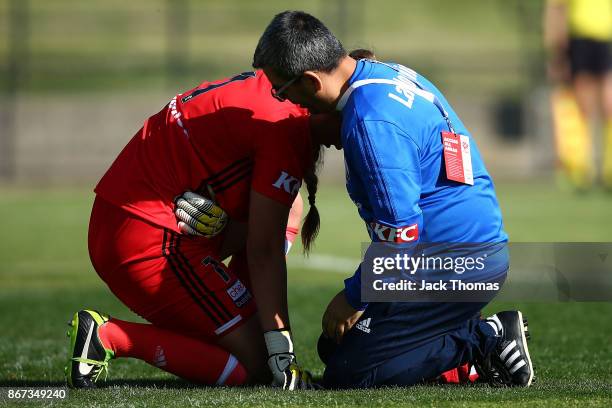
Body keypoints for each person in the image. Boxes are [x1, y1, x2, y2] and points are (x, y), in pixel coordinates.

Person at [252, 10, 533, 388]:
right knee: (334, 346)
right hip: (455, 256)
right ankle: (458, 343)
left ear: (310, 80)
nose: (285, 101)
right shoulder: (383, 74)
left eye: (283, 91)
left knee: (350, 373)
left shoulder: (371, 121)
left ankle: (488, 336)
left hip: (452, 264)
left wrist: (354, 296)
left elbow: (402, 233)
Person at [65, 69, 339, 389]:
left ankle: (237, 316)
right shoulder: (284, 124)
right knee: (257, 367)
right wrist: (282, 350)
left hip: (125, 219)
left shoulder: (271, 90)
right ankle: (110, 336)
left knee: (288, 209)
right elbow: (263, 248)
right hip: (148, 238)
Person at [544, 0, 612, 189]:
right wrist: (558, 51)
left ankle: (605, 169)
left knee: (607, 105)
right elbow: (557, 10)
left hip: (604, 38)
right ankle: (581, 168)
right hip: (581, 38)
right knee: (585, 107)